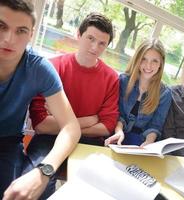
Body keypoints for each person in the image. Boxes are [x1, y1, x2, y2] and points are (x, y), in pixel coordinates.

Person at [25, 12, 119, 198]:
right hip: (48, 141)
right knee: (35, 182)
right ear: (78, 34)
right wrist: (90, 120)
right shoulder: (51, 67)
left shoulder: (111, 78)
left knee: (97, 191)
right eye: (90, 38)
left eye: (102, 43)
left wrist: (63, 124)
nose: (94, 47)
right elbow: (42, 125)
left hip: (89, 143)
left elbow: (106, 127)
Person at [0, 0, 81, 199]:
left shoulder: (39, 68)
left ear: (32, 34)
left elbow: (71, 127)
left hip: (7, 144)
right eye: (1, 26)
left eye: (21, 31)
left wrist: (44, 170)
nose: (9, 39)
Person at [105, 39, 172, 146]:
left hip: (141, 140)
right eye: (144, 59)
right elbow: (118, 114)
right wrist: (119, 132)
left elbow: (155, 126)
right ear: (137, 60)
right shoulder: (123, 81)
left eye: (154, 61)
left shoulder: (164, 94)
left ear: (161, 64)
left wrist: (149, 142)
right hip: (117, 133)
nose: (148, 66)